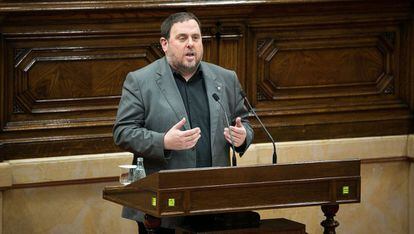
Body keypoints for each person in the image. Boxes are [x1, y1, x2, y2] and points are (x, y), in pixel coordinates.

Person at [113, 12, 254, 233]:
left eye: (196, 38)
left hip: (214, 202)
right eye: (182, 38)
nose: (191, 44)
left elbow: (244, 122)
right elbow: (123, 132)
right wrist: (163, 142)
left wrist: (243, 136)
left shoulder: (226, 79)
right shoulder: (140, 81)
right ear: (165, 44)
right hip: (163, 204)